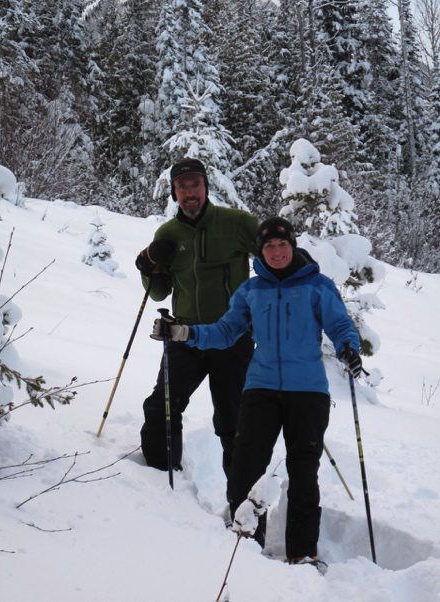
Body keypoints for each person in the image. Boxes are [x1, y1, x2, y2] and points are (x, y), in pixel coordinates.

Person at [153, 216, 362, 571]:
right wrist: (184, 334)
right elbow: (224, 331)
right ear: (260, 251)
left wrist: (348, 347)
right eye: (268, 246)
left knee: (303, 470)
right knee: (246, 466)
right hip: (260, 389)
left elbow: (340, 324)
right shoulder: (251, 291)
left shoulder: (317, 285)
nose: (276, 252)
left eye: (282, 245)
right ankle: (245, 541)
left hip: (308, 392)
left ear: (292, 246)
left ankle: (303, 553)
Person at [135, 157, 258, 481]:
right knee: (160, 408)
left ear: (206, 187)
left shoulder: (237, 223)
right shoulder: (168, 233)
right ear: (174, 192)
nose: (190, 192)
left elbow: (274, 255)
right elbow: (160, 292)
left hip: (232, 337)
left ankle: (242, 505)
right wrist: (148, 268)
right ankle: (162, 482)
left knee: (234, 423)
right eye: (183, 187)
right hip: (185, 336)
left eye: (195, 185)